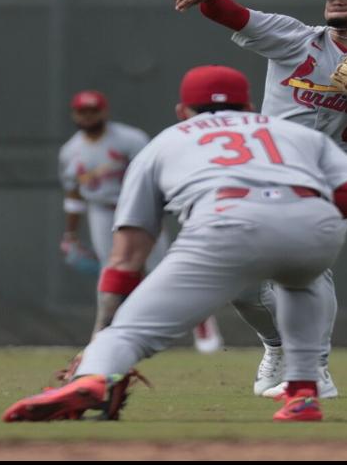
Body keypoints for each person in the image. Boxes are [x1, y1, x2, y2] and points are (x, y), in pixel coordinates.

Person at [5, 65, 347, 423]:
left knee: (130, 333)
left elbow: (126, 256)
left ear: (182, 111)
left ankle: (92, 376)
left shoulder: (166, 141)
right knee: (301, 282)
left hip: (225, 222)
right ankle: (304, 393)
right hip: (311, 221)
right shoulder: (293, 133)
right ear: (250, 107)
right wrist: (304, 216)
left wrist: (101, 336)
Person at [171, 0, 347, 400]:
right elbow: (237, 17)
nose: (337, 0)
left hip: (330, 180)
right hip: (267, 172)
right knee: (243, 285)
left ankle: (315, 369)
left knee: (307, 267)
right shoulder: (296, 39)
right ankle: (277, 346)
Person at [58, 89, 223, 354]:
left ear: (104, 111)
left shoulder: (129, 139)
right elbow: (74, 195)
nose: (88, 117)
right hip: (101, 210)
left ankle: (200, 320)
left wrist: (156, 208)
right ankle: (108, 335)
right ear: (74, 114)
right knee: (111, 272)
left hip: (136, 206)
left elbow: (153, 174)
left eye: (93, 111)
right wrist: (71, 233)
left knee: (163, 269)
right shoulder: (70, 151)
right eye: (82, 112)